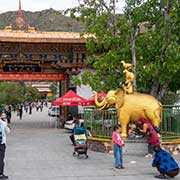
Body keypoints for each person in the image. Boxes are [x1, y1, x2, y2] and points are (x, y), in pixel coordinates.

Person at [0, 112, 10, 179]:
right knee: (0, 159)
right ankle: (0, 174)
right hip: (1, 144)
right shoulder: (3, 123)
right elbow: (8, 132)